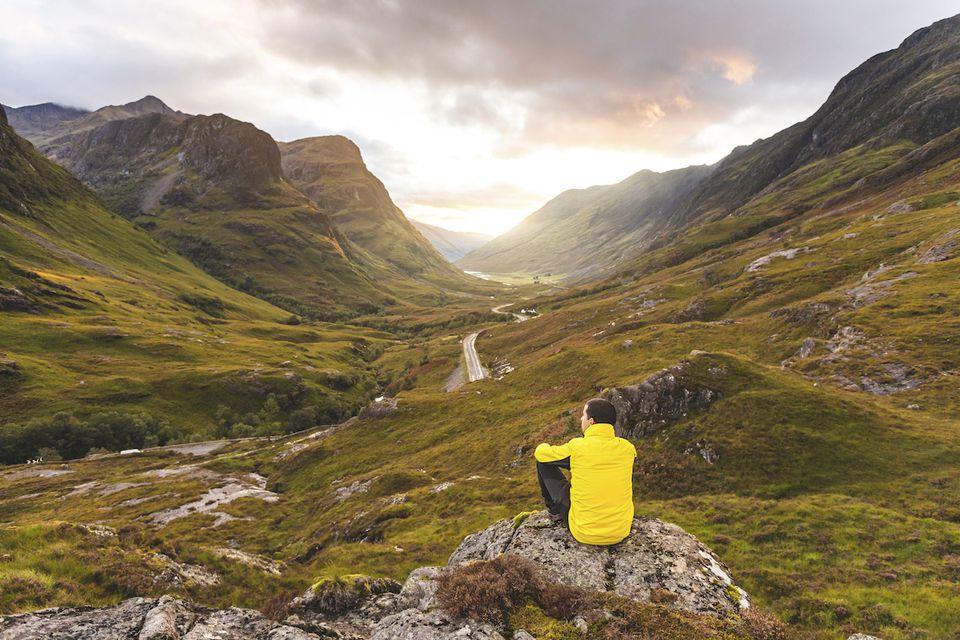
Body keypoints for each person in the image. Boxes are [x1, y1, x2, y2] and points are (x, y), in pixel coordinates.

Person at [534, 398, 637, 545]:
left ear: (591, 421)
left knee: (542, 464)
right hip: (620, 531)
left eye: (583, 415)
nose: (581, 419)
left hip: (584, 532)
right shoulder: (628, 449)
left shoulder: (578, 447)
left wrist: (543, 444)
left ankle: (555, 513)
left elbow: (541, 455)